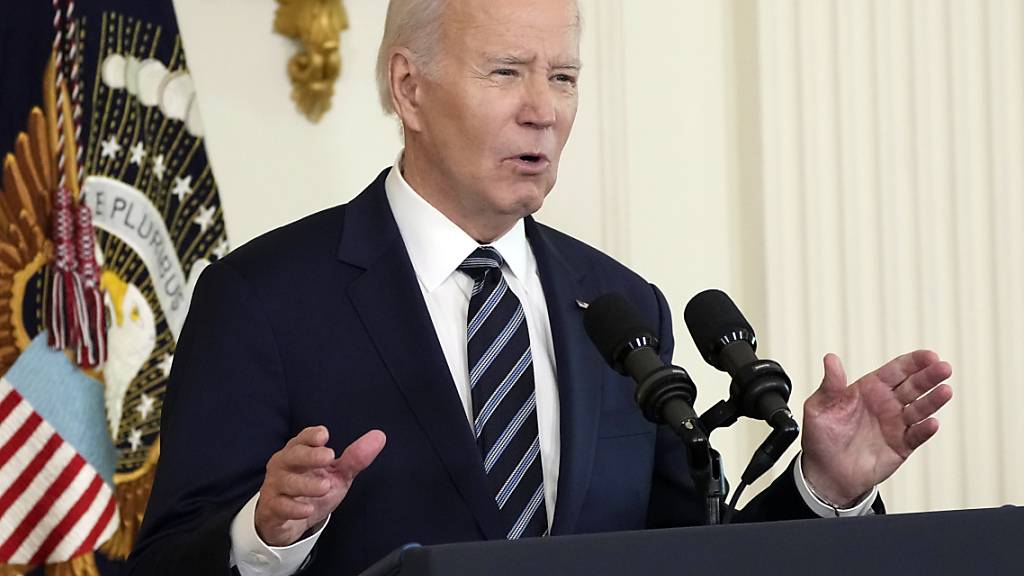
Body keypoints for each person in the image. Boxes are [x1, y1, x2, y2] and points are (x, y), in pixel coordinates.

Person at [128, 0, 954, 574]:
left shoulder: (621, 309)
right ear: (409, 88)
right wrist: (265, 535)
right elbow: (167, 560)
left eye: (562, 77)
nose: (543, 111)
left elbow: (689, 556)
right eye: (505, 72)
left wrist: (823, 486)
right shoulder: (264, 299)